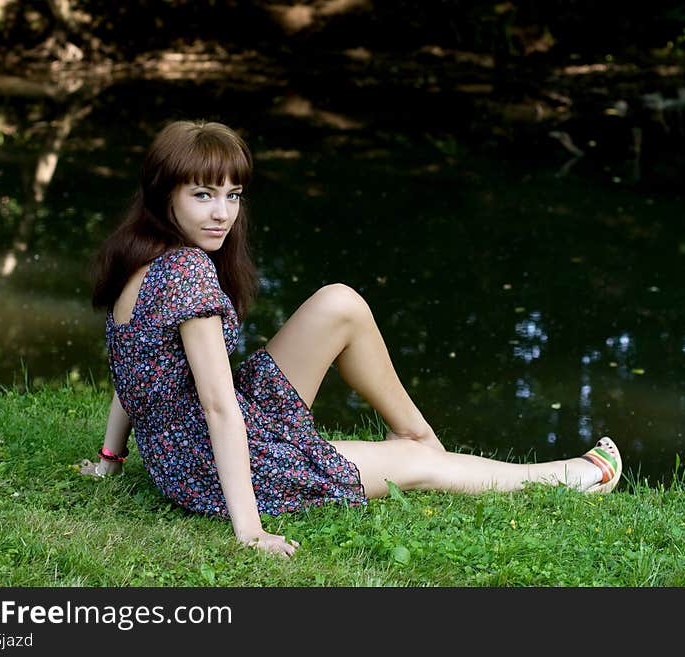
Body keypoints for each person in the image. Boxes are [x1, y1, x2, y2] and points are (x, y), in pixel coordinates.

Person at [79, 120, 623, 558]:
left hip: (184, 453)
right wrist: (249, 530)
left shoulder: (138, 254)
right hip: (209, 467)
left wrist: (111, 458)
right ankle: (569, 477)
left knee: (339, 302)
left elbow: (134, 373)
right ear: (163, 195)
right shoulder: (187, 271)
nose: (223, 213)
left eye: (233, 195)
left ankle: (418, 435)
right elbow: (220, 408)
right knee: (422, 472)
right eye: (203, 195)